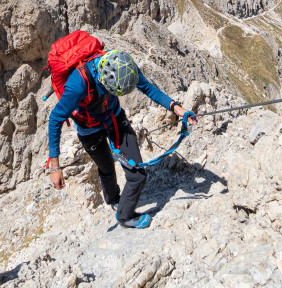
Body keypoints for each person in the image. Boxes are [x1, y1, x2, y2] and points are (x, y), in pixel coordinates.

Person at [47, 49, 197, 229]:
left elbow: (147, 87)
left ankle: (125, 216)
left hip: (115, 118)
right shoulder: (78, 84)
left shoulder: (124, 65)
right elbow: (56, 119)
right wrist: (55, 166)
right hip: (89, 130)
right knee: (106, 168)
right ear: (103, 81)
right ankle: (113, 200)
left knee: (137, 175)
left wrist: (177, 109)